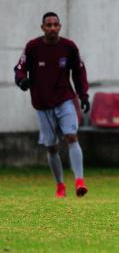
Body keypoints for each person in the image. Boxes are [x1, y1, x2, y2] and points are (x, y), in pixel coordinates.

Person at [14, 12, 90, 198]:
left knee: (72, 136)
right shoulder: (32, 47)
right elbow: (20, 68)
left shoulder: (69, 47)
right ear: (42, 28)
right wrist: (22, 81)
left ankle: (80, 181)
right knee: (52, 147)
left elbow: (79, 73)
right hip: (42, 104)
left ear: (60, 26)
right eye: (49, 25)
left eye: (56, 24)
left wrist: (83, 95)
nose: (52, 28)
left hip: (65, 100)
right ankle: (60, 186)